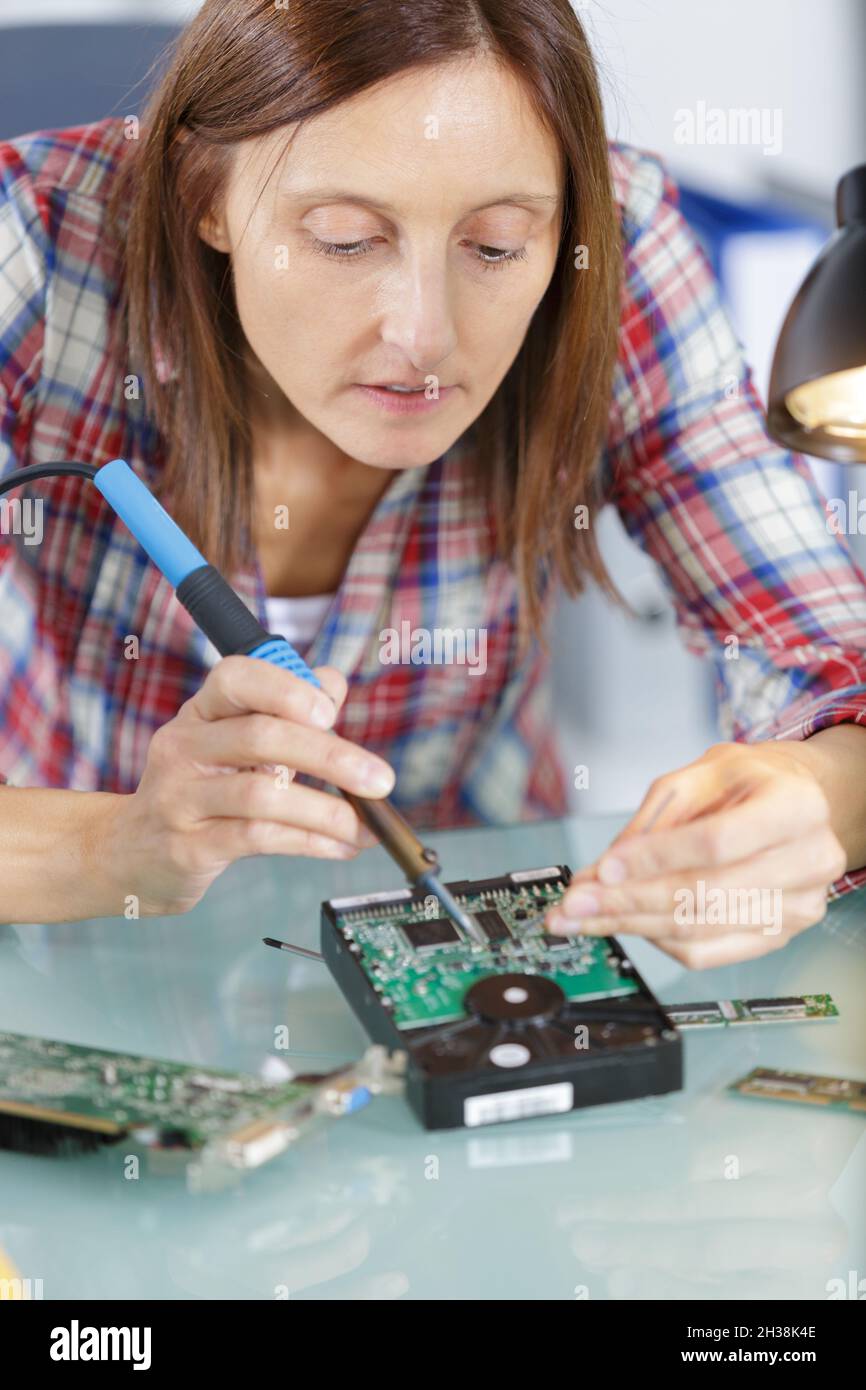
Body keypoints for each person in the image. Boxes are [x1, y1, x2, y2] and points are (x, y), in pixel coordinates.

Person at [1, 0, 864, 966]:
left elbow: (822, 634)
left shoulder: (618, 241)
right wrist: (115, 847)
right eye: (342, 237)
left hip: (488, 909)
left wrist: (823, 792)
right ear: (203, 193)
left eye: (495, 246)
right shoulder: (30, 239)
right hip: (83, 943)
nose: (425, 336)